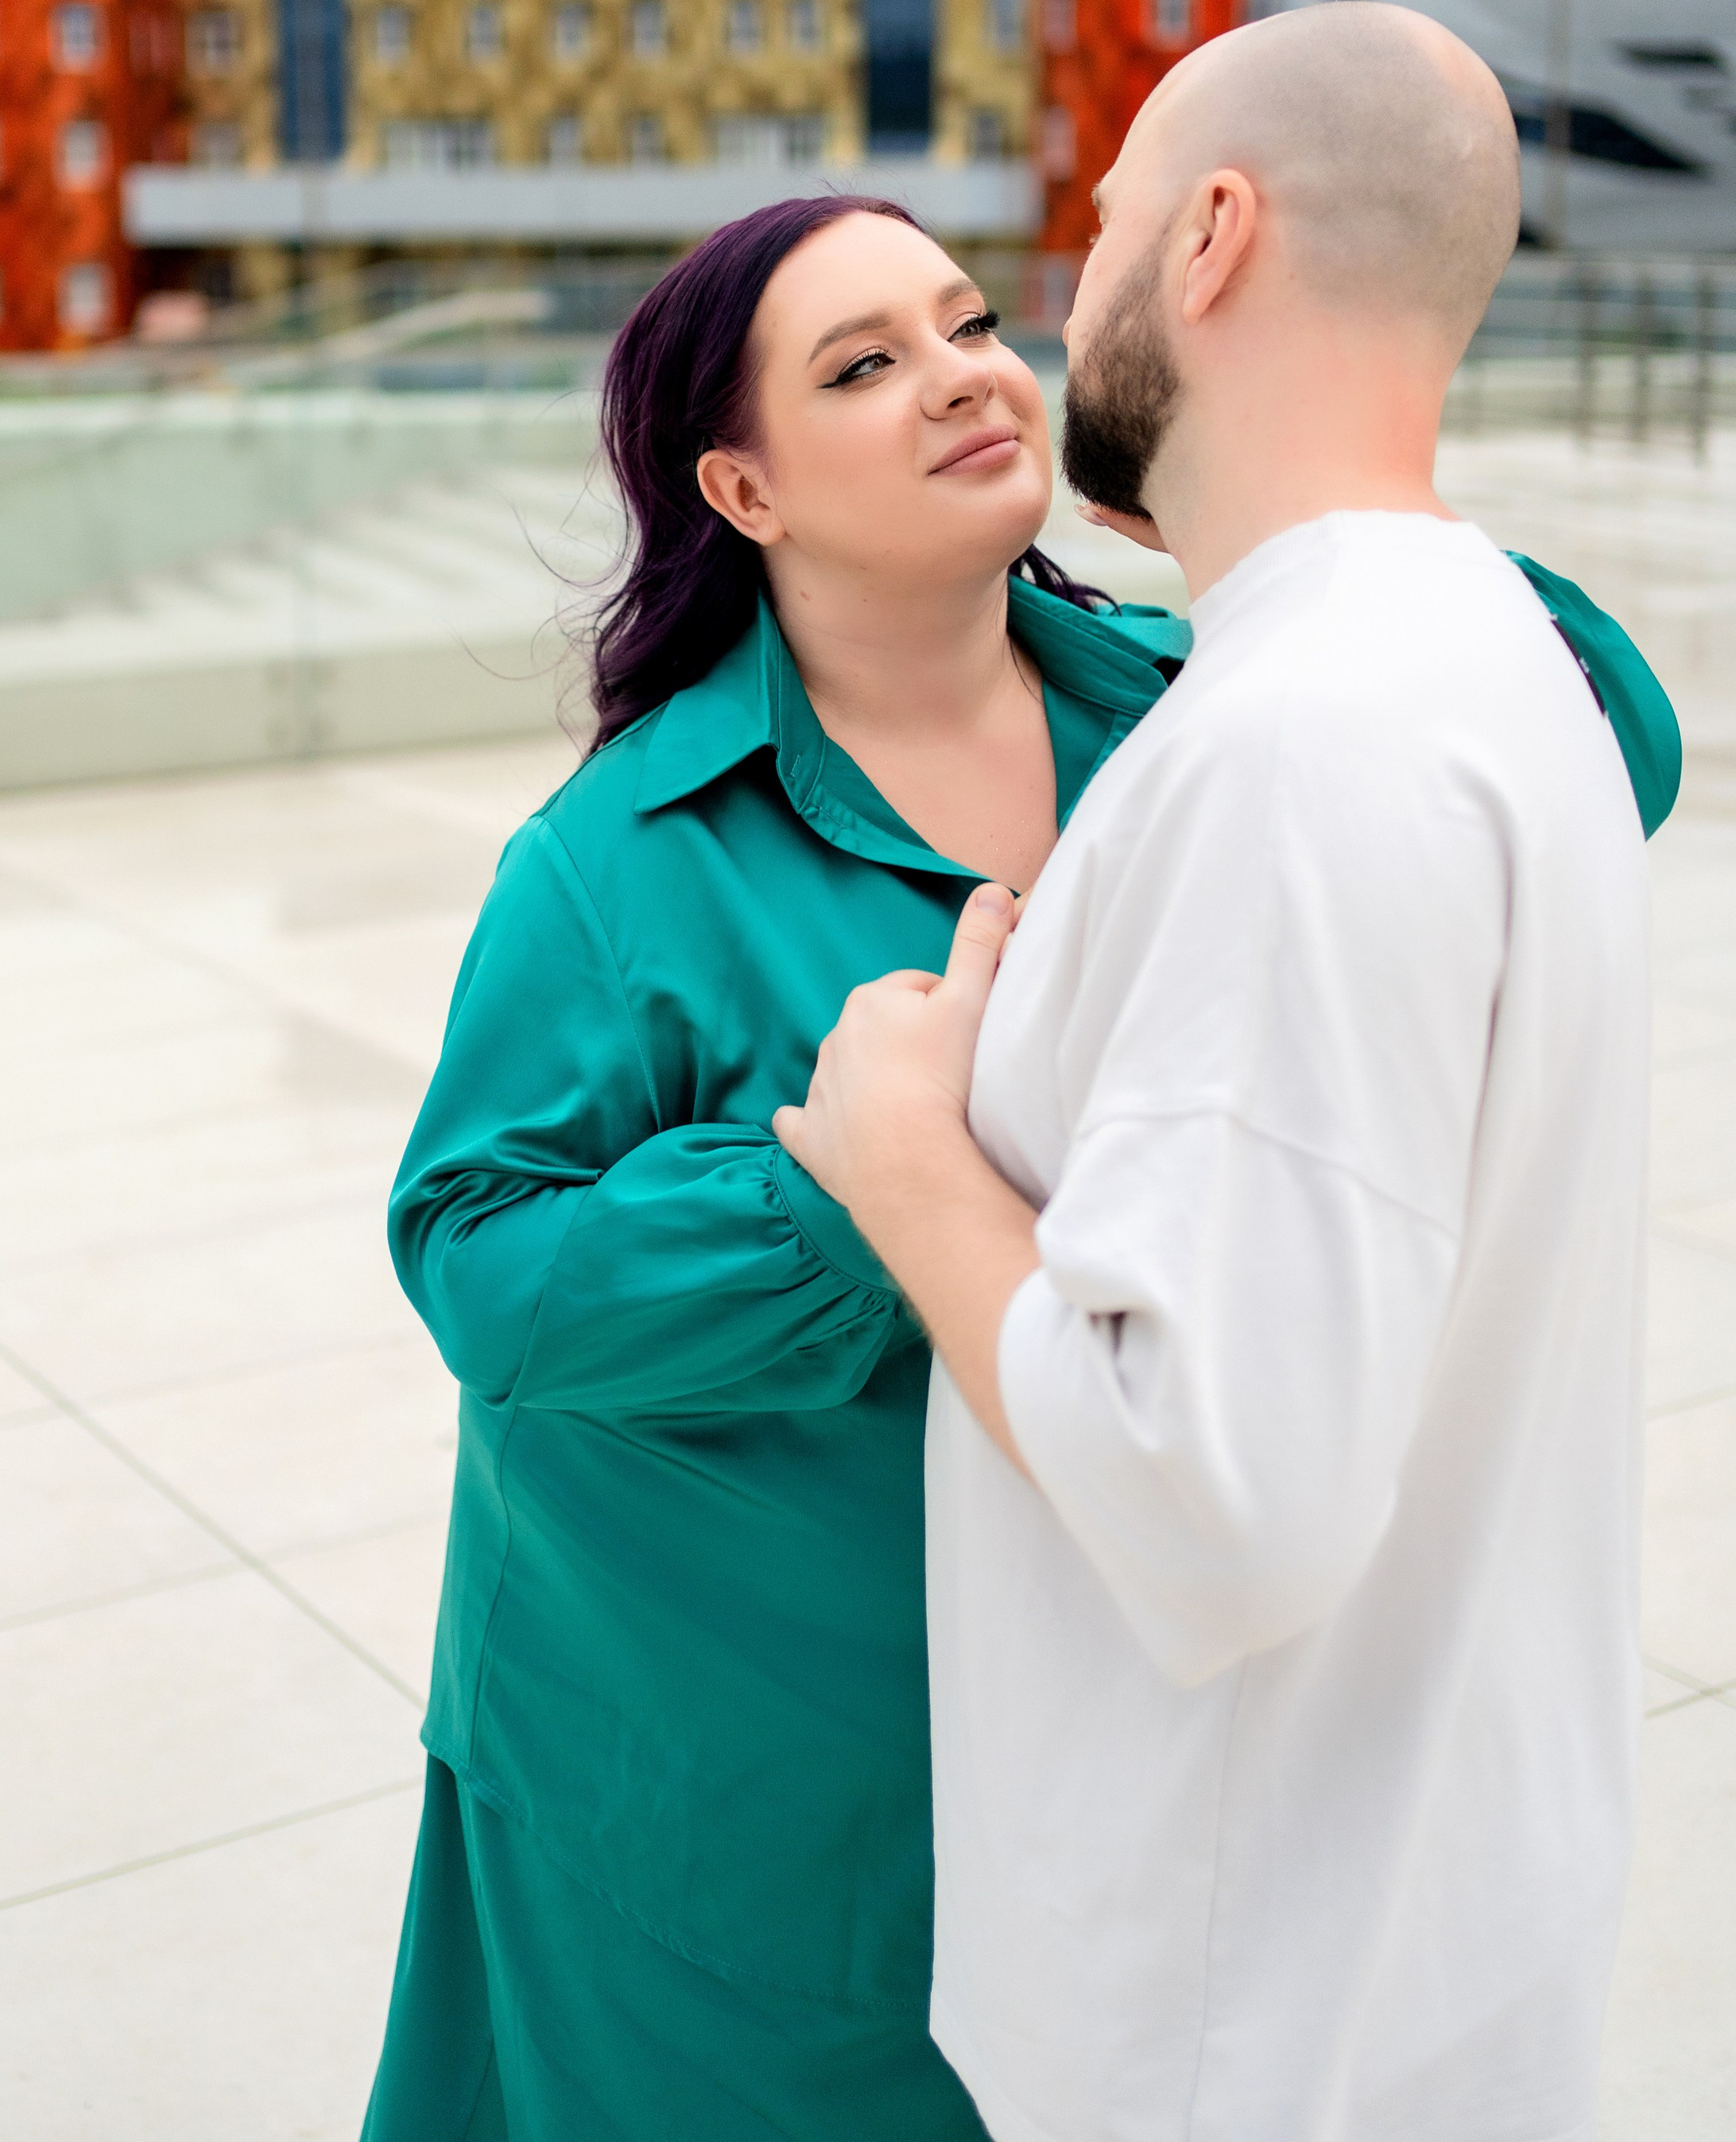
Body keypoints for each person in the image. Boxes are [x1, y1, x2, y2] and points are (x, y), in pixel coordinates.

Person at [364, 181, 1674, 2142]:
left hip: (1100, 1697)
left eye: (970, 325)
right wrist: (840, 1188)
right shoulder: (621, 860)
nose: (963, 379)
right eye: (862, 365)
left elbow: (1575, 751)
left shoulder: (1194, 707)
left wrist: (1304, 527)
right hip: (738, 1740)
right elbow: (475, 1258)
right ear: (741, 493)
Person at [774, 4, 1673, 2142]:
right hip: (1396, 1946)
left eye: (1093, 239)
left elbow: (1215, 1495)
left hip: (1250, 2020)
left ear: (1214, 242)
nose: (1056, 313)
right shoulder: (1466, 662)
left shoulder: (1299, 747)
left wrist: (913, 1165)